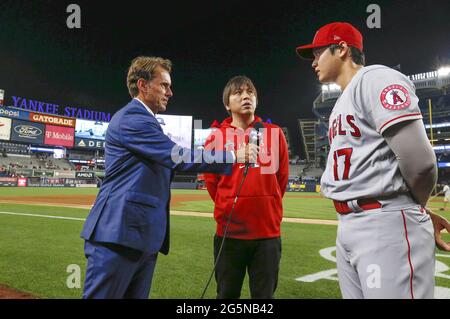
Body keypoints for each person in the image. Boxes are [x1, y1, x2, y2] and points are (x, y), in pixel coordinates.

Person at [80, 56, 257, 299]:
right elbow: (178, 156)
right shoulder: (132, 118)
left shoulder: (147, 121)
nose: (170, 92)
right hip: (118, 235)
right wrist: (233, 155)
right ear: (142, 85)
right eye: (164, 85)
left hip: (139, 237)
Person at [296, 22, 450, 299]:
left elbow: (422, 163)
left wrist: (414, 209)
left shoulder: (375, 78)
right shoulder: (342, 101)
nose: (314, 62)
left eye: (318, 53)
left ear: (342, 48)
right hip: (351, 224)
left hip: (383, 225)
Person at [204, 75, 289, 299]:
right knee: (226, 296)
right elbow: (212, 183)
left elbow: (281, 179)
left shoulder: (274, 133)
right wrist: (229, 202)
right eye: (238, 93)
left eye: (250, 92)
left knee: (264, 298)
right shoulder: (216, 137)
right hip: (230, 233)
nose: (245, 96)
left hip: (267, 234)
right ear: (226, 104)